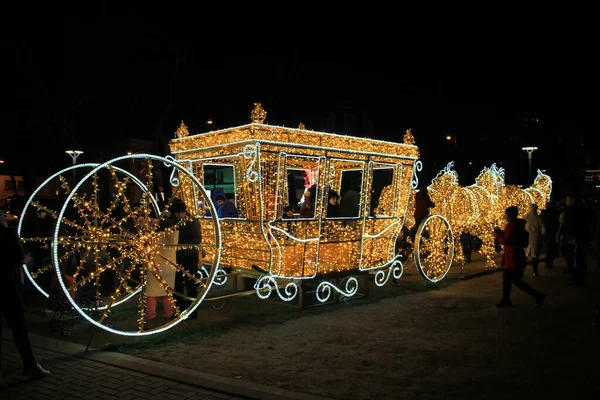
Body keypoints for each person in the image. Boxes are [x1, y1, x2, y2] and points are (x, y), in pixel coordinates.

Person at [0, 209, 51, 379]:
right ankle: (30, 365)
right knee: (19, 329)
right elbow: (19, 257)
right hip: (9, 285)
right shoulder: (7, 233)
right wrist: (28, 259)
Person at [493, 206, 546, 308]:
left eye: (505, 214)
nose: (504, 216)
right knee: (508, 279)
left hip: (513, 257)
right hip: (514, 255)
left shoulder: (512, 226)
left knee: (515, 281)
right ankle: (506, 299)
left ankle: (538, 296)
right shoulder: (517, 225)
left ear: (509, 215)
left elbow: (506, 240)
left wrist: (497, 234)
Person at [143, 214, 179, 329]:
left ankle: (150, 319)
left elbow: (145, 248)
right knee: (167, 293)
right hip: (169, 267)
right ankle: (168, 316)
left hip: (154, 266)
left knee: (151, 295)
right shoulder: (173, 235)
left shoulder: (154, 236)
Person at [171, 200, 202, 319]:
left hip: (189, 257)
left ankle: (192, 311)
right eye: (178, 213)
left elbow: (198, 239)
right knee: (177, 285)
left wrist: (181, 246)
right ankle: (179, 309)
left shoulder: (193, 221)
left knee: (191, 285)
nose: (180, 215)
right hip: (176, 258)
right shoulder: (172, 222)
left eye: (182, 212)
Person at [524, 203, 545, 277]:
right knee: (535, 256)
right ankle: (535, 271)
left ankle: (522, 271)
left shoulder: (525, 217)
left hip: (526, 237)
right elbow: (543, 230)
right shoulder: (539, 218)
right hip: (536, 237)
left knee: (524, 255)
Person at [541, 199, 560, 269]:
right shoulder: (556, 212)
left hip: (547, 232)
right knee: (551, 247)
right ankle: (550, 260)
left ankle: (548, 261)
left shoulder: (544, 213)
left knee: (548, 247)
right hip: (553, 232)